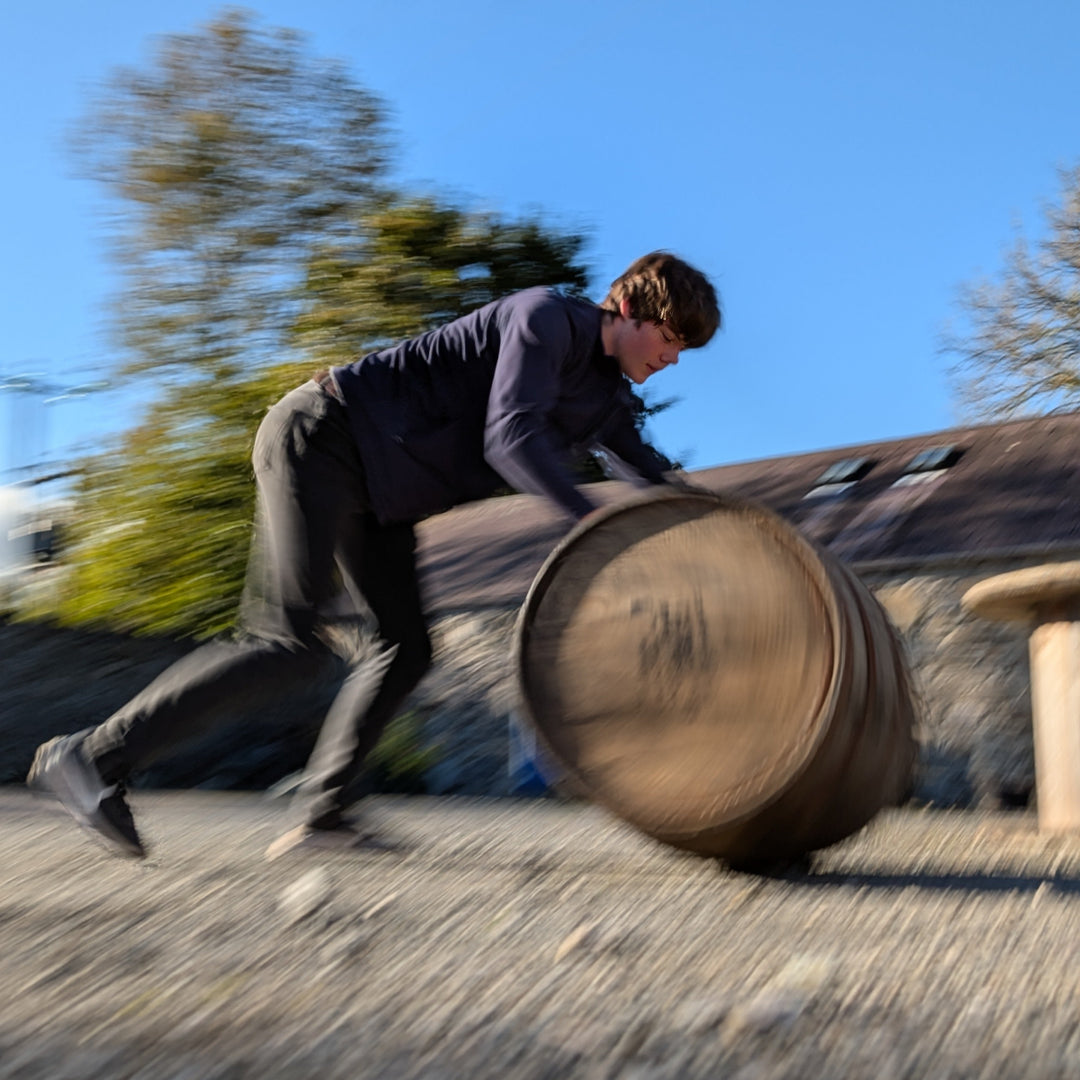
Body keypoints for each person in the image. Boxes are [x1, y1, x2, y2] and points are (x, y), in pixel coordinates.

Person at [27, 251, 721, 860]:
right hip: (323, 434)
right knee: (285, 643)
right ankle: (87, 758)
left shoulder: (604, 399)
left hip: (379, 493)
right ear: (628, 308)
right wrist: (591, 526)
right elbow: (508, 439)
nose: (673, 358)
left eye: (685, 350)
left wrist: (734, 536)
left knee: (405, 646)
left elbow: (654, 479)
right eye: (670, 338)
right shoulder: (546, 320)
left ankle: (323, 816)